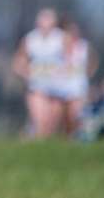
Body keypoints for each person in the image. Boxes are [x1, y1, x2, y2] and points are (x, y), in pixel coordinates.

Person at [13, 7, 67, 138]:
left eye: (48, 19)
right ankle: (33, 138)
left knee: (51, 125)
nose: (45, 22)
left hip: (57, 86)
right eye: (43, 19)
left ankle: (37, 143)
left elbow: (73, 60)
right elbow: (19, 61)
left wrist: (65, 73)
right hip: (37, 85)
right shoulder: (30, 39)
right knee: (40, 121)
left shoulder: (62, 38)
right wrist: (25, 73)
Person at [57, 16, 97, 138]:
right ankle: (67, 138)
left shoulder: (83, 46)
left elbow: (93, 61)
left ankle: (74, 137)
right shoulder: (57, 47)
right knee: (65, 118)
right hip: (60, 87)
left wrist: (89, 74)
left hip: (78, 87)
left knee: (75, 114)